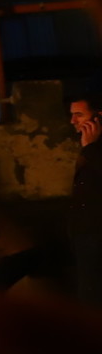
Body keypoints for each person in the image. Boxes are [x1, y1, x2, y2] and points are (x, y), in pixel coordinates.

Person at [75, 98, 102, 307]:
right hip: (86, 233)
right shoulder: (86, 148)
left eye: (79, 115)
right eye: (72, 115)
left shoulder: (94, 149)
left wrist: (90, 148)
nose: (73, 121)